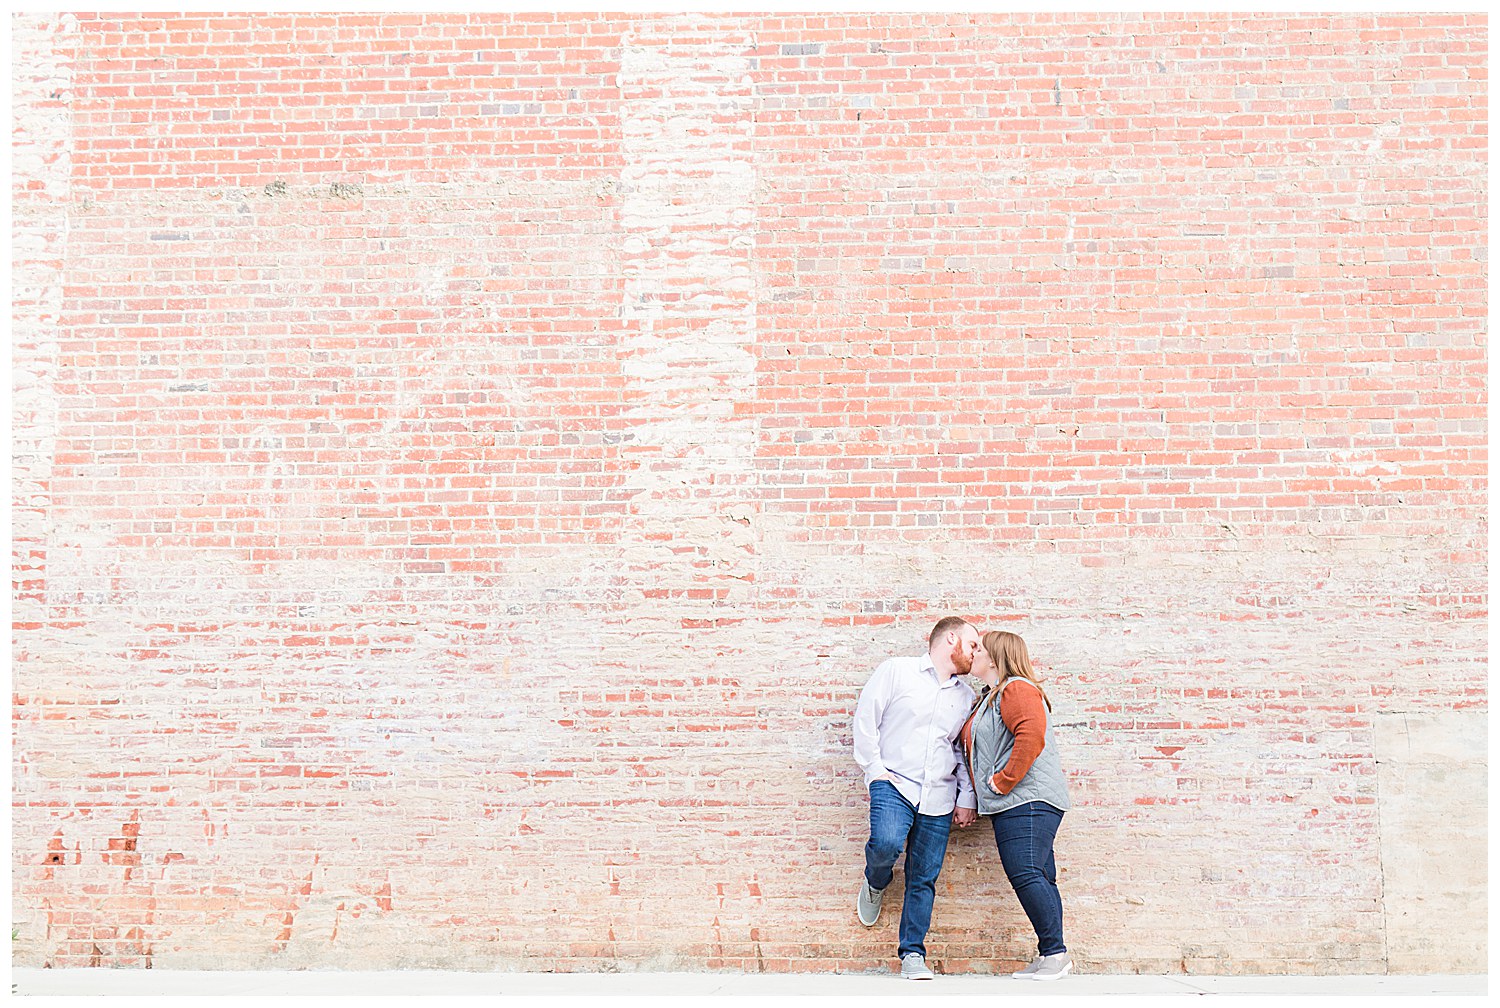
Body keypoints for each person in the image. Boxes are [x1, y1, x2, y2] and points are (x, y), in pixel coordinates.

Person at [852, 616, 982, 980]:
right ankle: (876, 881)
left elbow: (961, 750)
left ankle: (912, 954)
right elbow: (866, 719)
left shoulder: (966, 696)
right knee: (885, 844)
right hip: (894, 782)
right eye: (973, 645)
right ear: (951, 639)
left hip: (939, 795)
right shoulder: (897, 671)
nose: (976, 653)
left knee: (924, 877)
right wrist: (875, 769)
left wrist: (966, 796)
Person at [960, 629, 1074, 980]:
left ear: (995, 658)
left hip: (1026, 800)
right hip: (1021, 802)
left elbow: (1031, 734)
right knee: (1040, 874)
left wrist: (1002, 780)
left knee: (1024, 871)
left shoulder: (1015, 689)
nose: (973, 653)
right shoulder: (994, 695)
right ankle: (1051, 953)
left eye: (978, 648)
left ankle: (1055, 953)